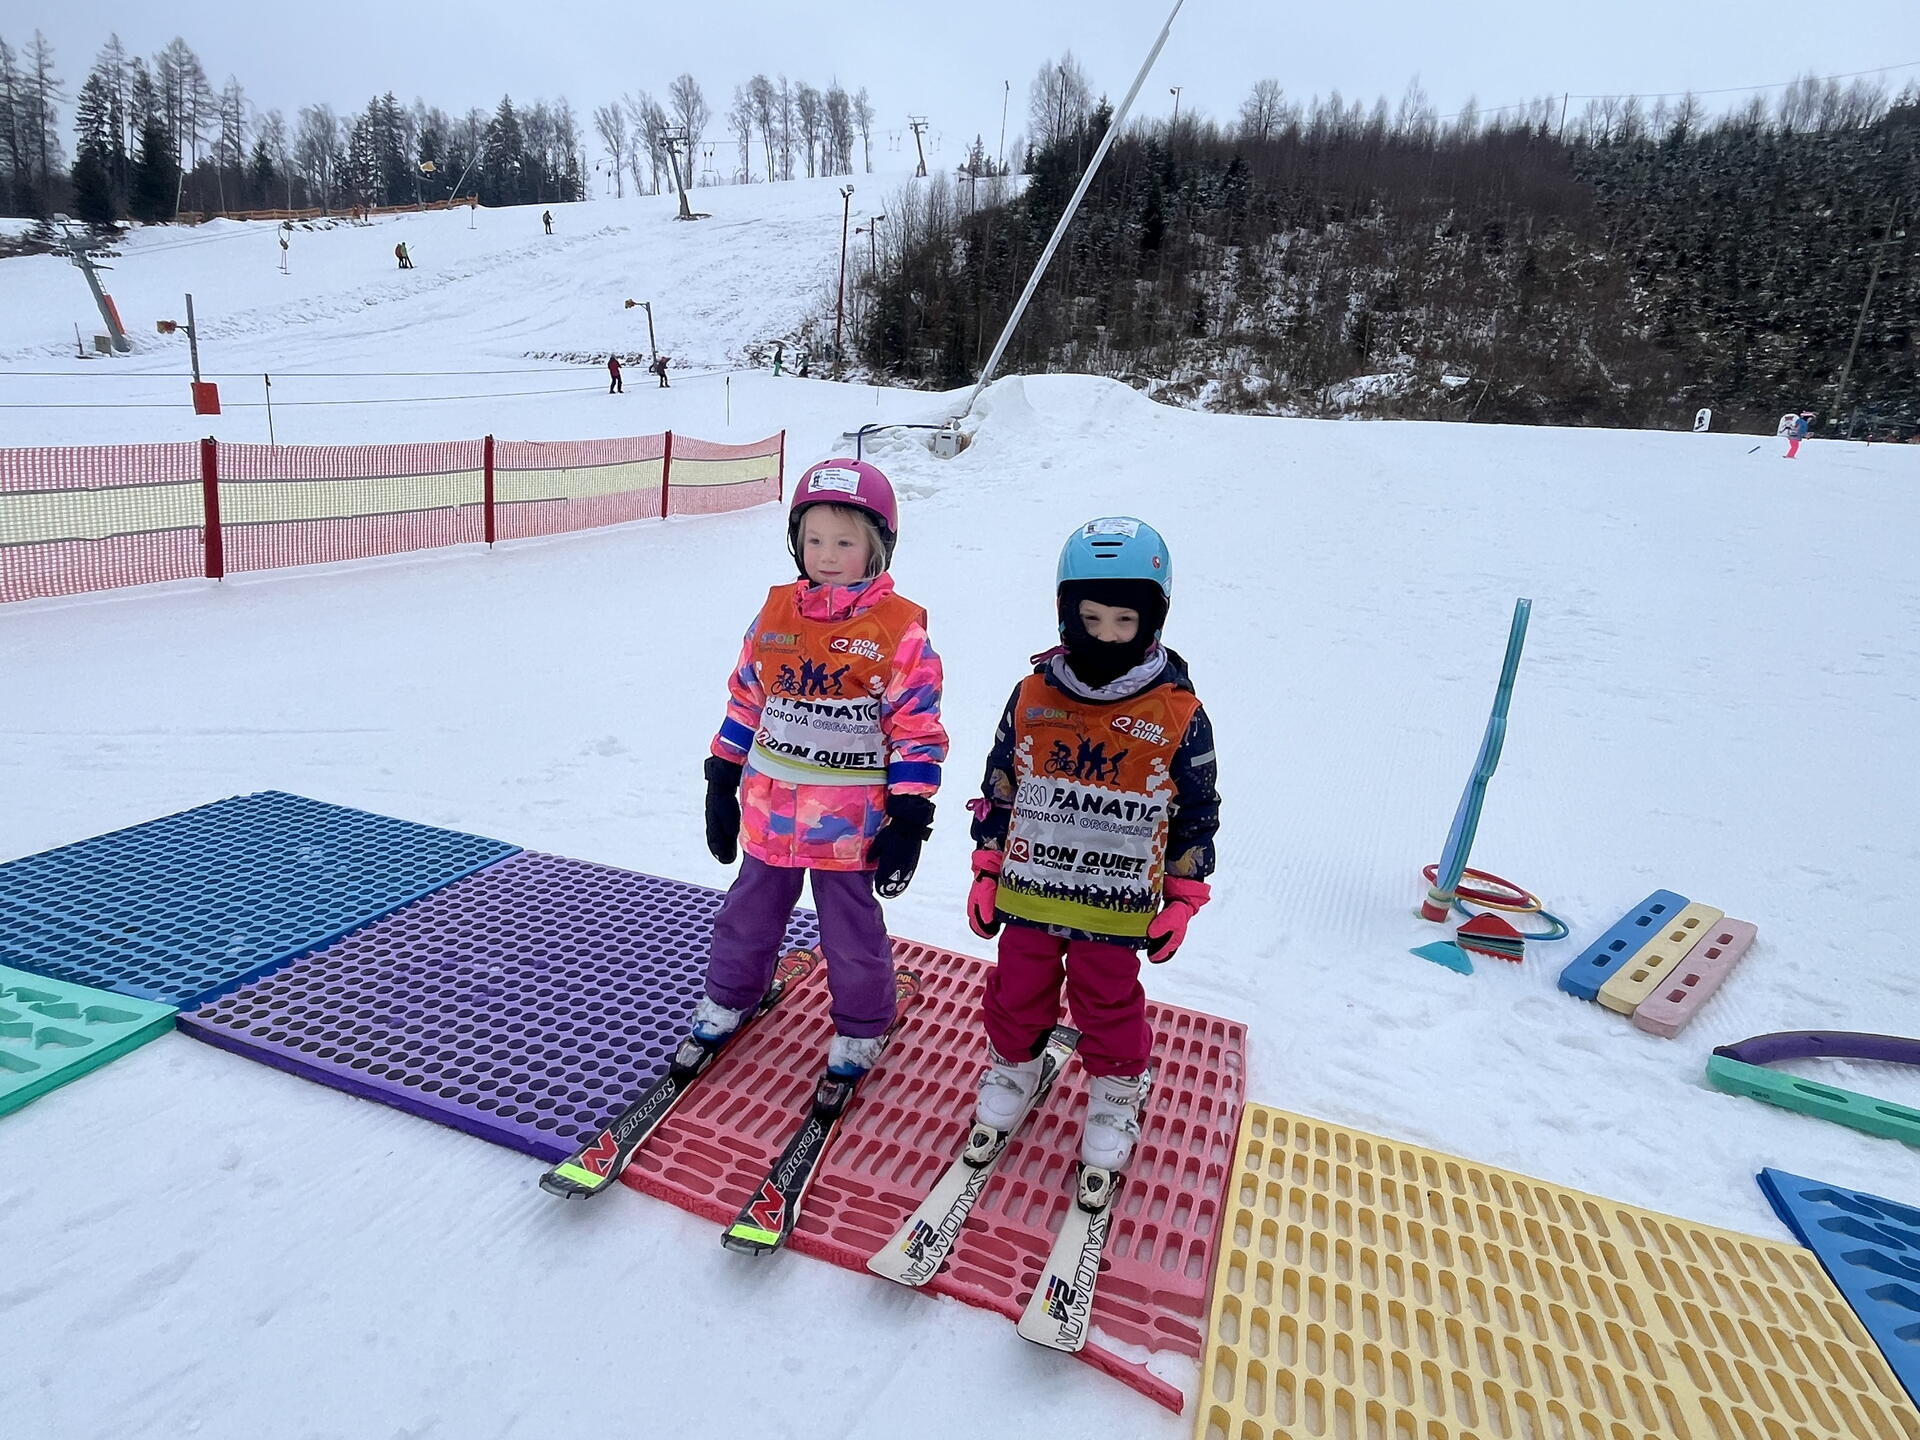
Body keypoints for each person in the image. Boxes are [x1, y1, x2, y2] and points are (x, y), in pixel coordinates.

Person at [964, 517, 1220, 1194]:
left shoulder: (1177, 712)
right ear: (1065, 612)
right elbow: (1000, 785)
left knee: (1107, 999)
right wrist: (987, 867)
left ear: (1153, 619)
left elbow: (1196, 811)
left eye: (1124, 621)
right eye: (1091, 619)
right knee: (1017, 988)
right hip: (1030, 890)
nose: (1106, 635)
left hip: (1115, 904)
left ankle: (1115, 1091)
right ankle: (1013, 1066)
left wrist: (1183, 898)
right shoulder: (1033, 696)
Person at [694, 459, 947, 1079]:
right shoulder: (775, 615)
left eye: (844, 542)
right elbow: (747, 700)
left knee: (850, 931)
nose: (827, 556)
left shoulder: (897, 632)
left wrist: (911, 814)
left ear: (877, 547)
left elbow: (916, 729)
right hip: (770, 815)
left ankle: (862, 1025)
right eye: (814, 540)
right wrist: (721, 777)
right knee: (747, 915)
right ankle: (729, 996)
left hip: (849, 827)